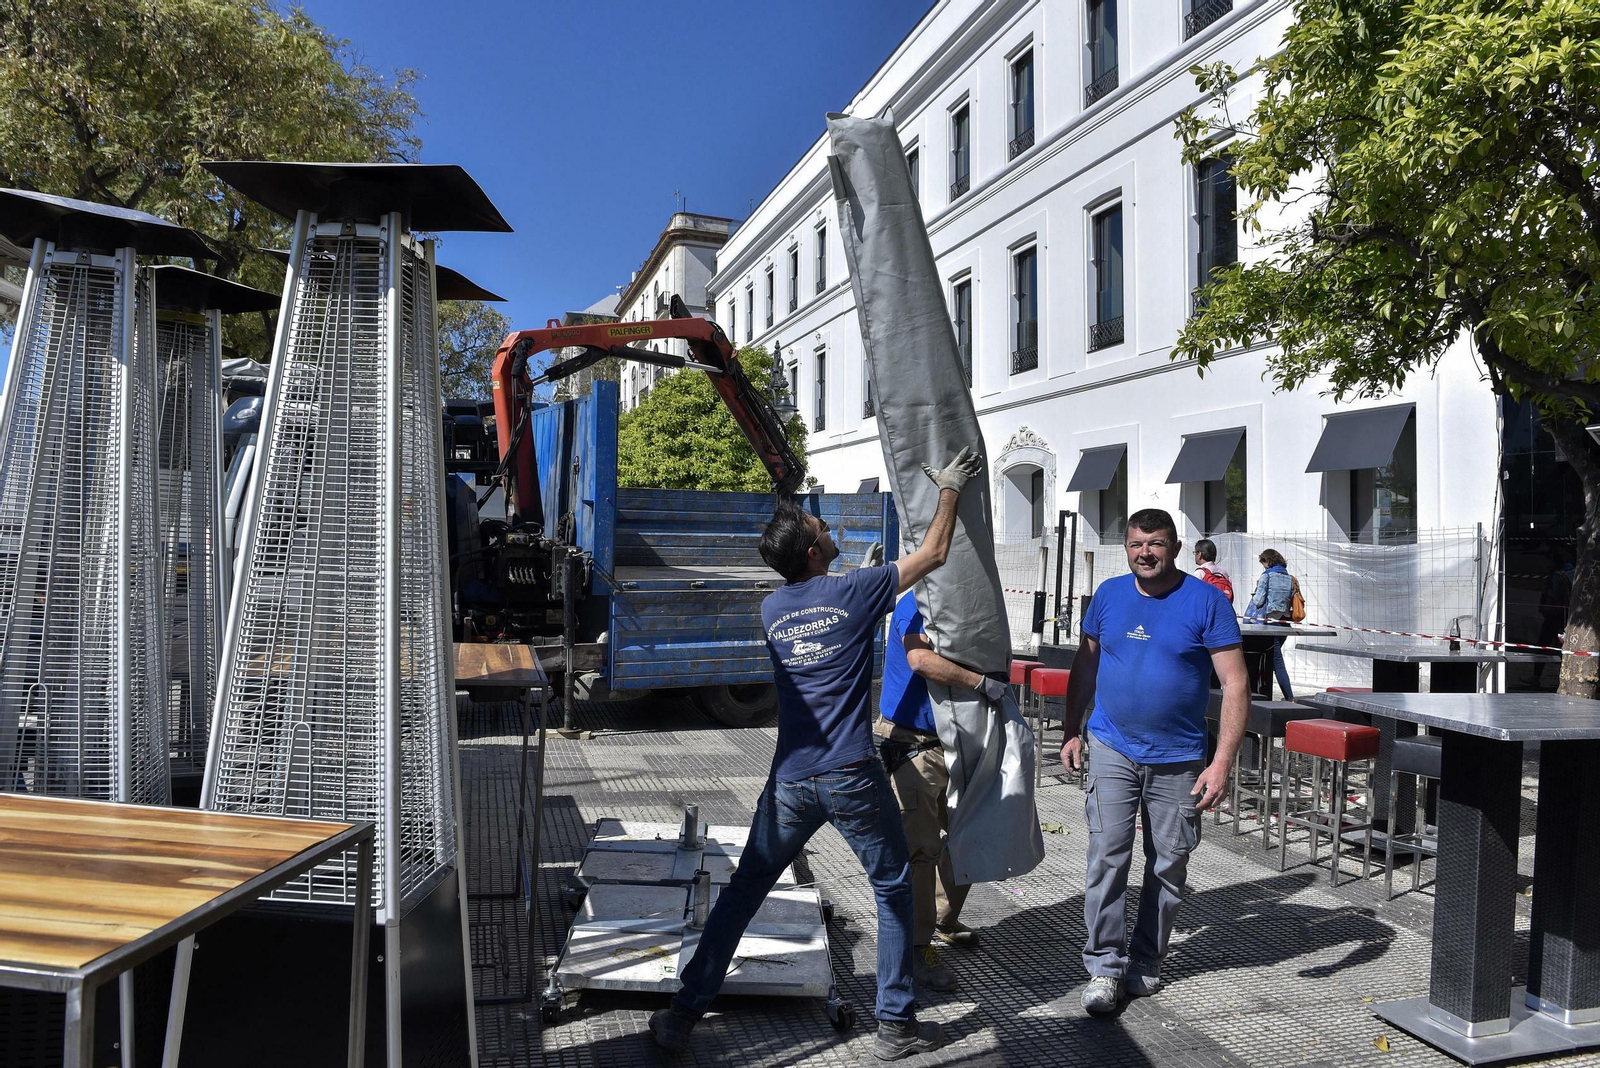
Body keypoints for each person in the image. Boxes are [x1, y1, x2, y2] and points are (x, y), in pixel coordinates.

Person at [650, 446, 985, 1061]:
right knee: (890, 887)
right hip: (851, 772)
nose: (827, 529)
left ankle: (680, 1015)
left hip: (790, 781)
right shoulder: (855, 591)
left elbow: (824, 607)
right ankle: (894, 1027)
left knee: (745, 890)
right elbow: (934, 554)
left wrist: (858, 577)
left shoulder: (774, 606)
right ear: (811, 553)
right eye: (820, 528)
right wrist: (950, 491)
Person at [1060, 508, 1249, 1015]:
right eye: (1137, 544)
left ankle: (1145, 960)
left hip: (1180, 757)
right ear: (1126, 548)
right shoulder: (1108, 596)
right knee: (1107, 856)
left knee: (1168, 865)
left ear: (1175, 548)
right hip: (1112, 745)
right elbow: (1087, 660)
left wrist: (1221, 763)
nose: (1146, 552)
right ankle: (1103, 966)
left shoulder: (1207, 602)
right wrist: (1071, 729)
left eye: (1157, 543)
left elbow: (1235, 683)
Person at [875, 590, 1006, 993]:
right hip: (913, 744)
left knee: (971, 835)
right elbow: (920, 660)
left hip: (959, 744)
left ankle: (943, 919)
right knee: (920, 850)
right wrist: (980, 682)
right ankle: (916, 948)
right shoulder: (915, 604)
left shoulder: (964, 604)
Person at [1244, 548, 1295, 699]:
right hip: (1283, 623)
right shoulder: (1289, 577)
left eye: (1263, 563)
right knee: (1273, 660)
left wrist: (1255, 591)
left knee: (1276, 662)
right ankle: (1282, 696)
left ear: (1267, 561)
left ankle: (1289, 697)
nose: (1263, 566)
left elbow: (1259, 601)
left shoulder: (1267, 576)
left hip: (1267, 624)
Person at [1193, 538, 1234, 604]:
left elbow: (1194, 597)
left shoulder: (1199, 573)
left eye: (1195, 553)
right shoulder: (1224, 573)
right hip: (1222, 611)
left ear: (1199, 554)